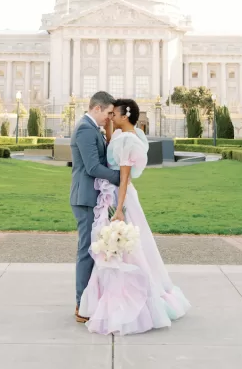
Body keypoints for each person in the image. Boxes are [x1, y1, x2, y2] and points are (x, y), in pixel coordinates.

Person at [78, 98, 190, 335]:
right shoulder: (124, 135)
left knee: (125, 249)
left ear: (124, 116)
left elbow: (125, 176)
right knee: (117, 248)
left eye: (114, 115)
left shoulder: (128, 139)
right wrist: (109, 128)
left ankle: (128, 298)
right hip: (113, 194)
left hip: (121, 197)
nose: (110, 117)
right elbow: (111, 148)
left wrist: (118, 209)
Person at [70, 90, 121, 323]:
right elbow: (92, 167)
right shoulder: (85, 129)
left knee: (94, 250)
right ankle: (82, 304)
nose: (109, 117)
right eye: (108, 113)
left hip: (94, 197)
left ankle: (91, 301)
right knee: (86, 251)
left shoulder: (93, 129)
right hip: (86, 198)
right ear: (96, 108)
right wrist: (120, 177)